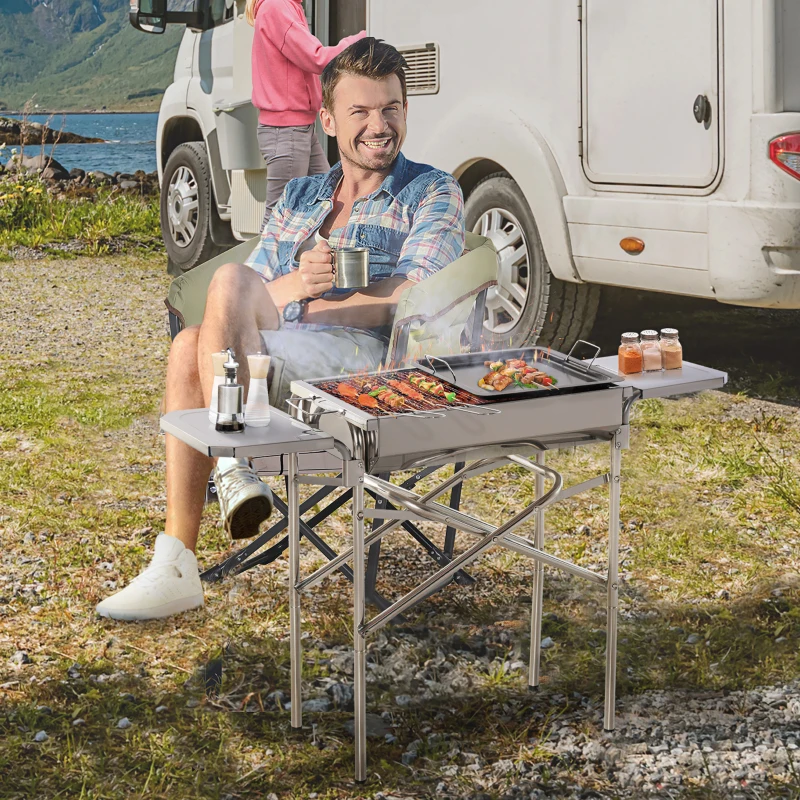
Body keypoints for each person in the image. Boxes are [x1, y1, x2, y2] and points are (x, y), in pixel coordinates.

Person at [96, 38, 465, 622]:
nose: (379, 125)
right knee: (198, 328)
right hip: (269, 364)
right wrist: (297, 285)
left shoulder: (431, 191)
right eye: (360, 112)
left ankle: (202, 515)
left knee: (199, 336)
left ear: (405, 110)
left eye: (390, 108)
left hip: (365, 370)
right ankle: (190, 537)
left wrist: (302, 307)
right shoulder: (299, 196)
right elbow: (247, 297)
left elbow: (413, 296)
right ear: (327, 120)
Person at [246, 0, 365, 226]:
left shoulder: (286, 6)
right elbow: (316, 58)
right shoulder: (277, 7)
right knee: (280, 217)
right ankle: (263, 262)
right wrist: (360, 39)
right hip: (287, 131)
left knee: (328, 198)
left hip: (297, 129)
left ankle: (317, 259)